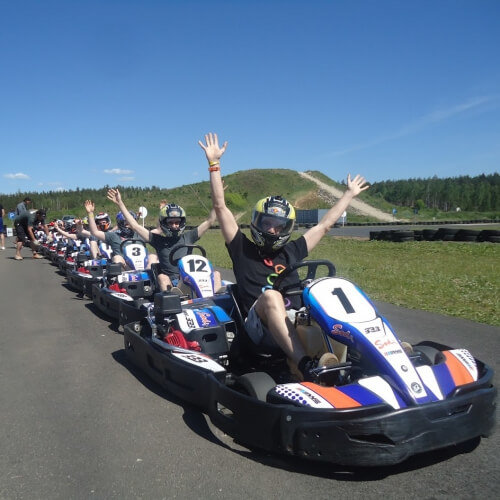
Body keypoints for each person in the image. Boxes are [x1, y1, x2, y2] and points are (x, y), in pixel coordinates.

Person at [199, 132, 369, 381]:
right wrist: (214, 165)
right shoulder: (241, 248)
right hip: (259, 328)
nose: (272, 230)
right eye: (267, 223)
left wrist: (348, 195)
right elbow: (220, 207)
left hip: (295, 318)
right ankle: (304, 365)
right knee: (271, 296)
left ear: (286, 229)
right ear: (257, 223)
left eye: (278, 226)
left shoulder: (292, 251)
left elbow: (323, 226)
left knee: (334, 289)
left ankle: (372, 355)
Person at [106, 188, 220, 292]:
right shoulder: (158, 240)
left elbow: (210, 221)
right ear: (164, 224)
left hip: (193, 279)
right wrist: (120, 203)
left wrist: (217, 196)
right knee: (162, 277)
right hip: (174, 284)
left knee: (216, 274)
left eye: (177, 222)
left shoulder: (189, 237)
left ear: (182, 223)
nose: (175, 226)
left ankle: (219, 302)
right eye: (170, 222)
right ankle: (173, 305)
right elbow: (135, 225)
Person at [84, 201, 141, 269]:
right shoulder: (114, 235)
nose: (130, 225)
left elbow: (154, 234)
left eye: (132, 222)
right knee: (117, 258)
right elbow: (95, 232)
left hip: (141, 264)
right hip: (124, 267)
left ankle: (154, 277)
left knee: (153, 257)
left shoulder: (139, 234)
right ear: (121, 224)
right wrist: (90, 213)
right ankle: (115, 277)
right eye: (127, 223)